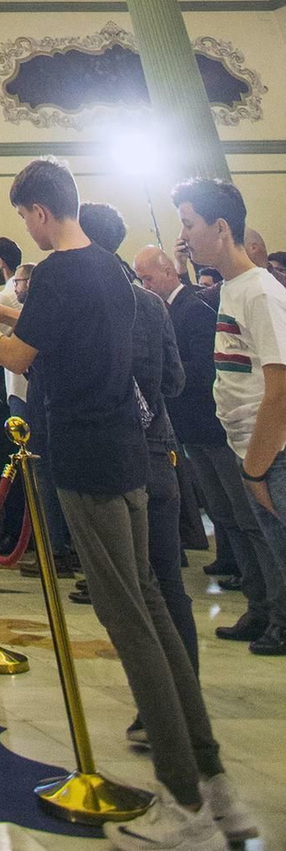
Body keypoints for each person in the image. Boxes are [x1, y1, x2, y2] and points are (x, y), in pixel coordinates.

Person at [0, 157, 246, 851]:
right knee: (152, 608)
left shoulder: (57, 274)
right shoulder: (110, 269)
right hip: (129, 453)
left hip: (84, 458)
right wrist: (3, 310)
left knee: (129, 619)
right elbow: (58, 331)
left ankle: (185, 802)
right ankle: (212, 778)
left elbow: (19, 357)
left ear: (40, 212)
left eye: (25, 217)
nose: (27, 228)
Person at [135, 238, 286, 653]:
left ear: (168, 272)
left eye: (149, 276)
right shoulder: (195, 302)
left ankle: (278, 614)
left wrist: (169, 375)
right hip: (201, 429)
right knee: (228, 518)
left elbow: (209, 367)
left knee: (253, 525)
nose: (145, 284)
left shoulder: (198, 307)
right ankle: (258, 606)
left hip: (225, 431)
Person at [75, 205, 197, 689]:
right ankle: (186, 700)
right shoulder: (149, 303)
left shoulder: (82, 307)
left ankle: (159, 706)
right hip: (155, 450)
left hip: (110, 460)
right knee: (166, 582)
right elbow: (175, 379)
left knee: (129, 589)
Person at [174, 176, 286, 651]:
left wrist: (257, 467)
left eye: (189, 223)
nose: (184, 236)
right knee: (263, 546)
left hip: (273, 456)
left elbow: (280, 385)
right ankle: (269, 614)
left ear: (221, 227)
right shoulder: (232, 288)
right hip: (249, 450)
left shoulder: (261, 291)